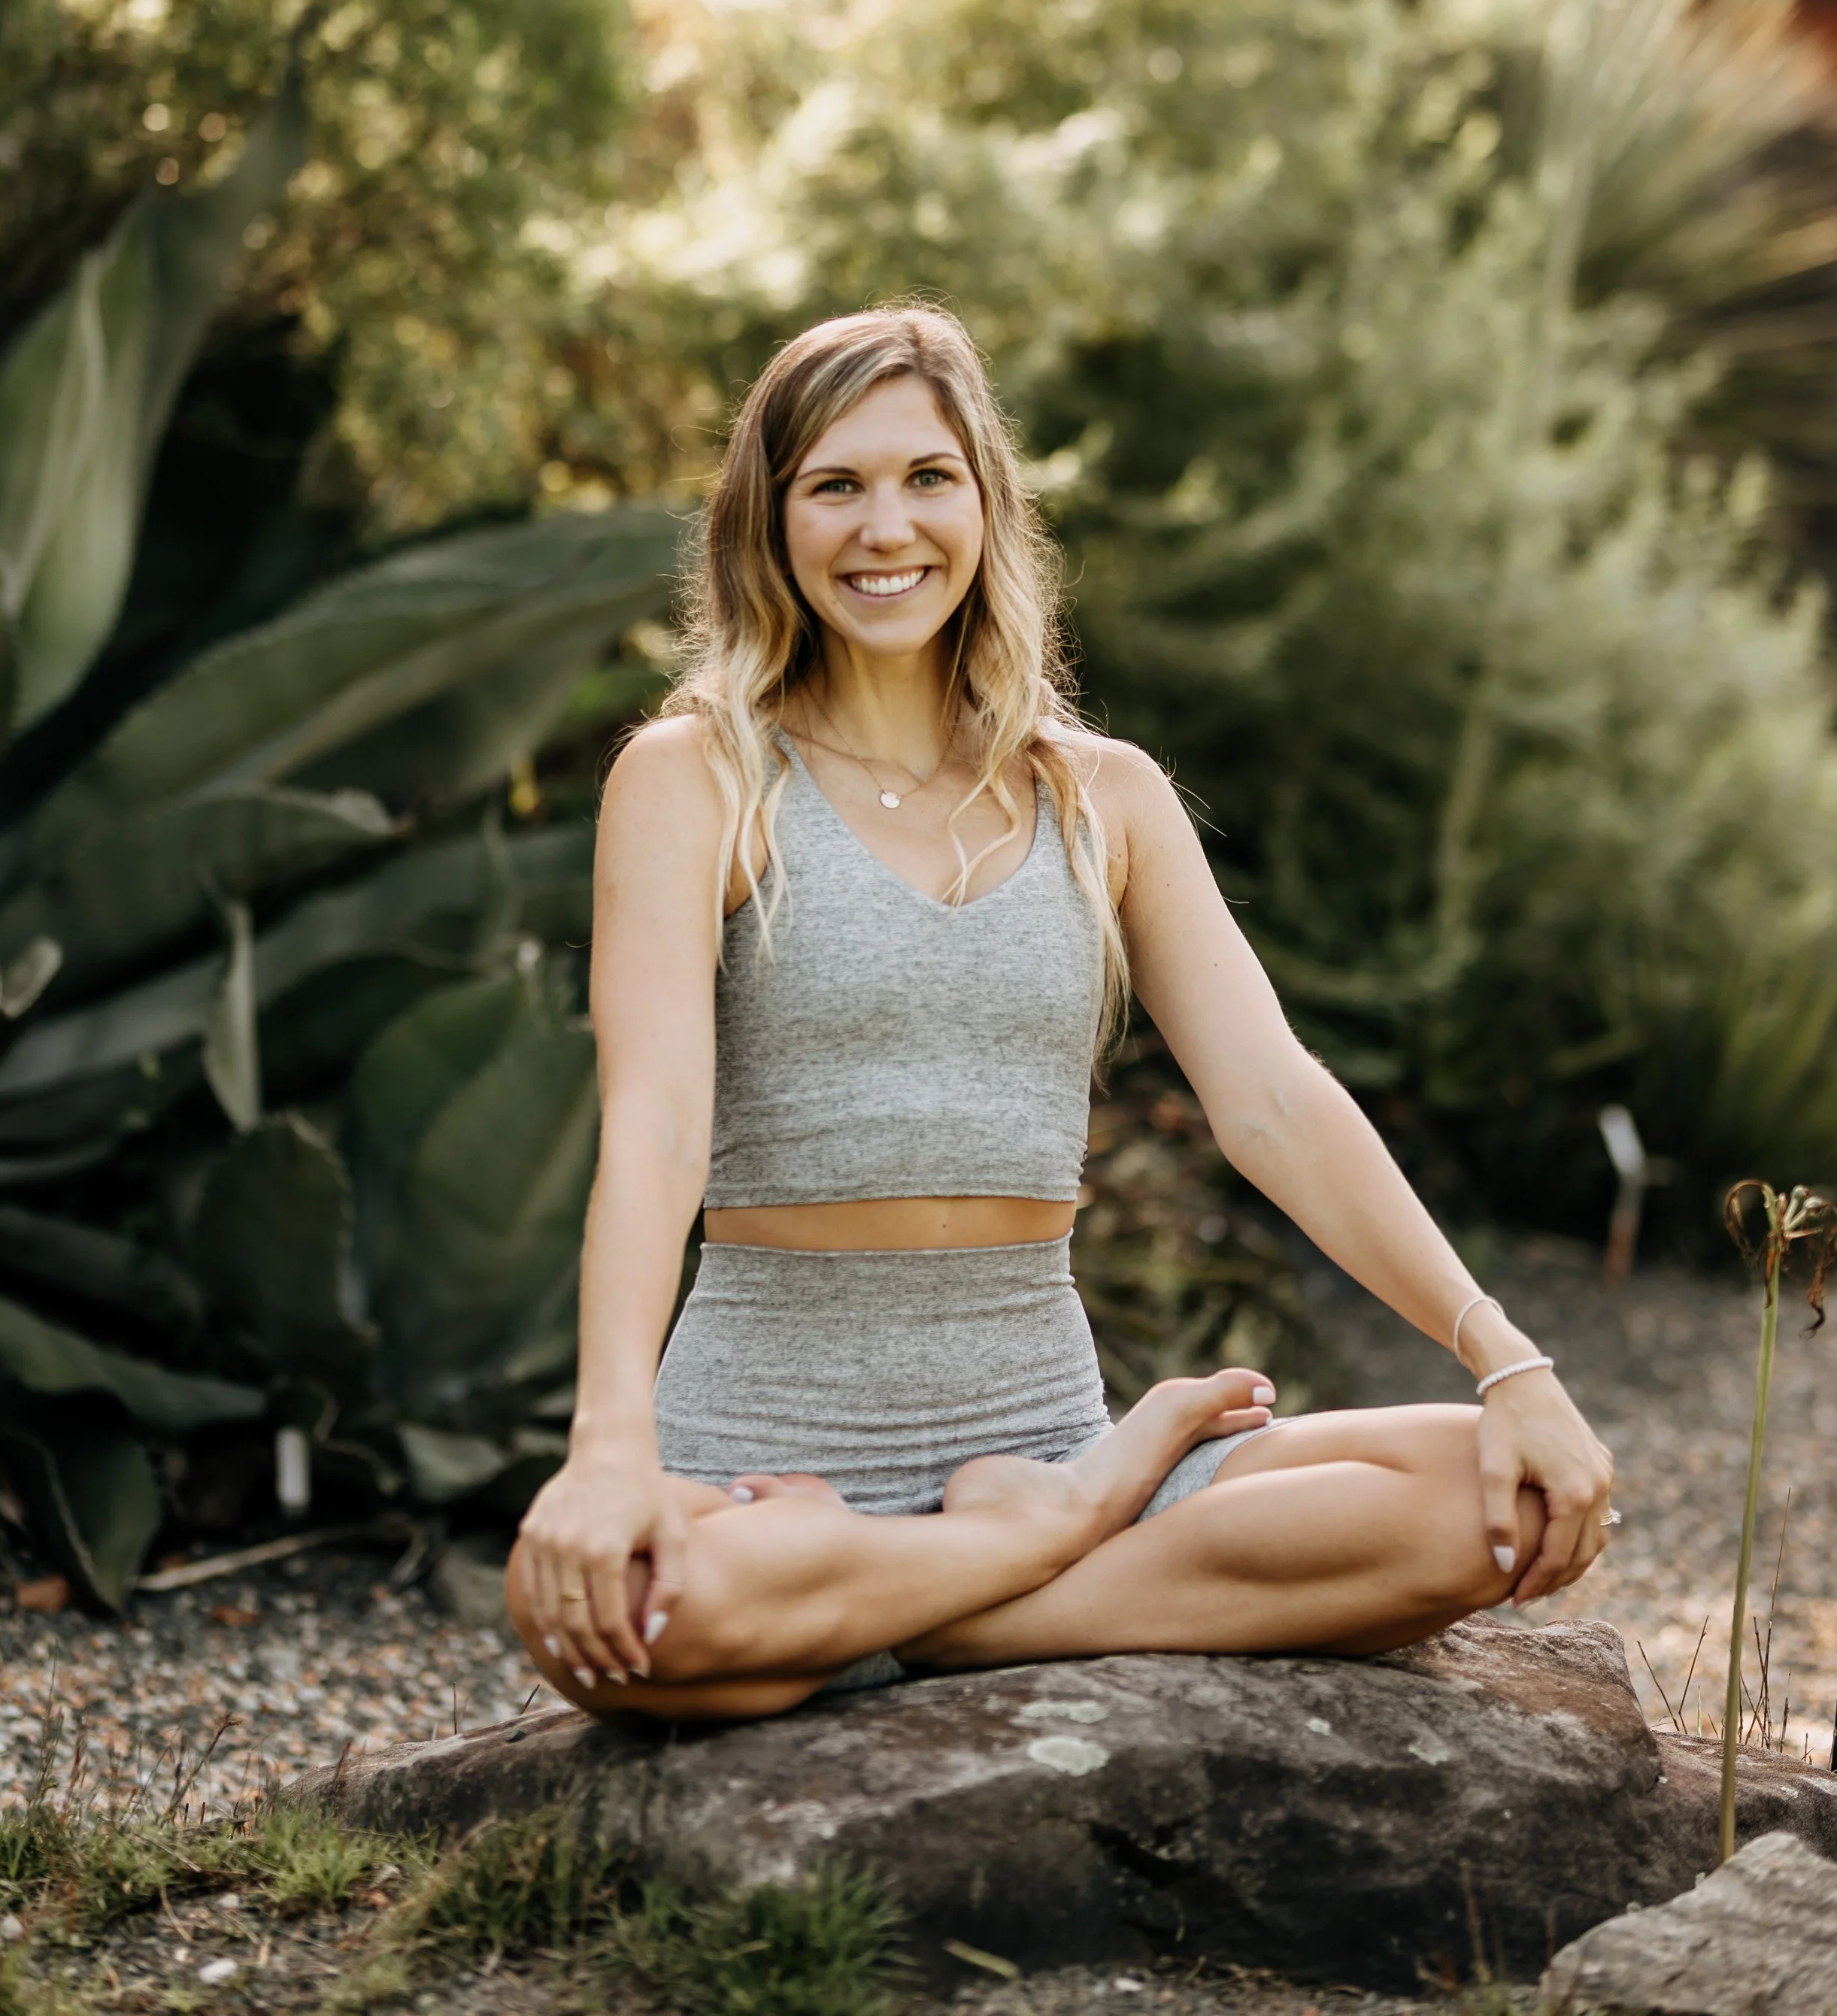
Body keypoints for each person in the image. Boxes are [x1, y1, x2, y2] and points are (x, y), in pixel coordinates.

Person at [508, 308, 1614, 1722]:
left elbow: (1274, 1101)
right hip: (769, 1444)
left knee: (1484, 1499)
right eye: (833, 485)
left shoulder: (1107, 795)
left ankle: (926, 1606)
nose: (883, 525)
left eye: (928, 477)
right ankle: (1039, 1540)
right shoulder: (694, 775)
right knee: (627, 1635)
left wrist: (1506, 1356)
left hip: (1032, 1418)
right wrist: (608, 1450)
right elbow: (655, 1129)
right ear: (766, 524)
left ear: (988, 503)